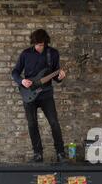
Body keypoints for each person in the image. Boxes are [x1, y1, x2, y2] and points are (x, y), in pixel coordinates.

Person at [12, 29, 67, 163]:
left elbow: (56, 77)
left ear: (46, 42)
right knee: (32, 123)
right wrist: (22, 81)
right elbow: (15, 72)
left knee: (54, 122)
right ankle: (38, 154)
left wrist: (60, 77)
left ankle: (60, 153)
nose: (38, 47)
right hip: (29, 93)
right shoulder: (26, 54)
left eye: (41, 44)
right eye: (36, 44)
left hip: (46, 94)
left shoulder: (53, 54)